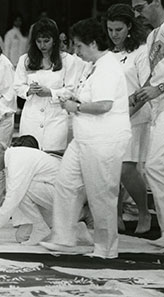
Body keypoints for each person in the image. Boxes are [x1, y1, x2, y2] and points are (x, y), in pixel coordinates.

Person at [40, 18, 131, 259]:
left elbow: (103, 105)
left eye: (78, 46)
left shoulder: (109, 67)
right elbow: (87, 96)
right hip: (84, 138)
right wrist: (72, 99)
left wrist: (75, 107)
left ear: (92, 43)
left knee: (101, 194)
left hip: (104, 140)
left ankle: (106, 248)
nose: (75, 51)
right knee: (66, 184)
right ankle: (64, 237)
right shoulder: (93, 65)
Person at [0, 139, 92, 246]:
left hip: (71, 198)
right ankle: (72, 228)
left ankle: (52, 226)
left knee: (22, 190)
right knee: (22, 236)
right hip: (61, 197)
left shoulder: (17, 161)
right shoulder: (11, 160)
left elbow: (12, 200)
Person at [105, 3, 152, 234]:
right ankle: (115, 217)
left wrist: (126, 113)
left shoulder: (141, 51)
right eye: (111, 29)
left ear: (129, 28)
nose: (114, 35)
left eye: (119, 30)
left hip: (135, 117)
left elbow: (146, 87)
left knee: (126, 169)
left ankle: (144, 213)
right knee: (111, 170)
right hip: (110, 117)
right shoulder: (107, 53)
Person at [132, 0, 164, 247]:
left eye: (140, 7)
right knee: (154, 166)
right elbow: (152, 76)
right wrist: (135, 96)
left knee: (156, 164)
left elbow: (160, 82)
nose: (137, 14)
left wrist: (160, 89)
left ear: (156, 1)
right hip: (158, 105)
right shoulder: (151, 37)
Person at [13, 18, 81, 153]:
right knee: (29, 155)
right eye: (38, 41)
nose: (42, 45)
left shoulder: (68, 60)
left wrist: (50, 92)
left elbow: (71, 90)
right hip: (31, 115)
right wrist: (28, 90)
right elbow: (17, 86)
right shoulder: (25, 60)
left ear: (54, 40)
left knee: (52, 157)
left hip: (56, 116)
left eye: (46, 41)